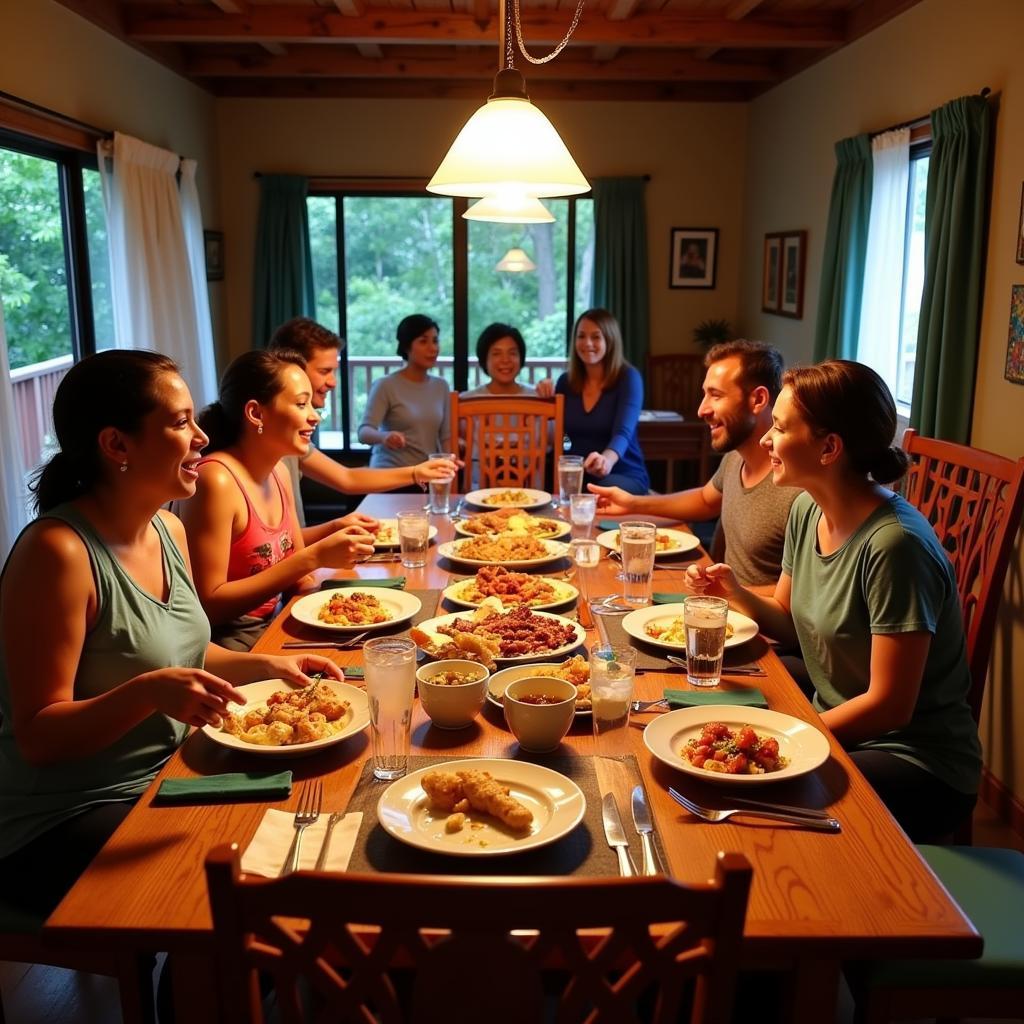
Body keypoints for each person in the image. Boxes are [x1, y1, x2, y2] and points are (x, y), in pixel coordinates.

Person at [0, 350, 340, 921]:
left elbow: (183, 651)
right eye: (181, 422)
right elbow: (38, 737)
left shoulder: (167, 527)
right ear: (117, 445)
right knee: (249, 882)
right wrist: (150, 693)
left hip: (170, 771)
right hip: (65, 815)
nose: (203, 437)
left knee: (312, 830)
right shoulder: (57, 552)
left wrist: (270, 666)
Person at [689, 359, 981, 842]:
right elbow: (786, 618)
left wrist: (790, 740)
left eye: (779, 428)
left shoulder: (895, 546)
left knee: (756, 808)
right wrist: (735, 593)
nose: (765, 440)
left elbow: (890, 706)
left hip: (914, 758)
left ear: (829, 448)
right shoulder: (808, 507)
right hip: (841, 718)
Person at [180, 349, 376, 651]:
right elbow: (209, 605)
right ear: (256, 413)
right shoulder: (216, 480)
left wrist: (343, 613)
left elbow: (298, 577)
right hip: (233, 642)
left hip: (281, 620)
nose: (314, 415)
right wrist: (314, 557)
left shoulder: (280, 472)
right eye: (301, 404)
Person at [589, 340, 800, 590]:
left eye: (716, 395)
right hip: (722, 609)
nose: (702, 410)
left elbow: (798, 599)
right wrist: (631, 503)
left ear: (758, 399)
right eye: (705, 394)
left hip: (750, 622)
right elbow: (704, 500)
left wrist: (725, 594)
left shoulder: (795, 487)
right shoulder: (734, 460)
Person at [268, 317, 457, 521]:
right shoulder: (264, 444)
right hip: (388, 478)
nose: (333, 382)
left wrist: (340, 527)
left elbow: (347, 478)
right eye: (325, 371)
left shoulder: (294, 439)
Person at [555, 308, 650, 495]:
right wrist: (568, 454)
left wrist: (606, 460)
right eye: (581, 336)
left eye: (596, 337)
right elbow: (562, 434)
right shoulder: (565, 382)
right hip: (577, 473)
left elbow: (623, 433)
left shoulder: (629, 378)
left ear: (610, 340)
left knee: (601, 489)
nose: (587, 343)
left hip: (621, 472)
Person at [357, 314, 453, 478]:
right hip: (390, 474)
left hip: (427, 475)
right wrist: (385, 437)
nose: (433, 348)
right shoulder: (385, 385)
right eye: (423, 341)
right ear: (407, 346)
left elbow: (446, 438)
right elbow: (364, 433)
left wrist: (449, 466)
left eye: (435, 341)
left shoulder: (441, 386)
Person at [461, 323, 536, 397]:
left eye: (512, 353)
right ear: (484, 359)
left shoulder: (537, 398)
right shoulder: (466, 401)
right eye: (496, 354)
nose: (505, 360)